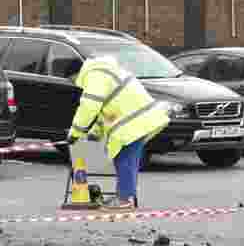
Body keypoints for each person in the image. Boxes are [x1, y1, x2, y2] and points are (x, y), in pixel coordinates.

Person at [65, 55, 170, 212]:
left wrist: (75, 132)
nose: (75, 84)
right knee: (127, 159)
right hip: (139, 119)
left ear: (76, 74)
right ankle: (126, 197)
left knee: (125, 159)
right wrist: (95, 132)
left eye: (72, 80)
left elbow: (89, 106)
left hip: (134, 121)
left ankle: (124, 200)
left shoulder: (95, 75)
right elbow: (106, 110)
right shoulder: (103, 72)